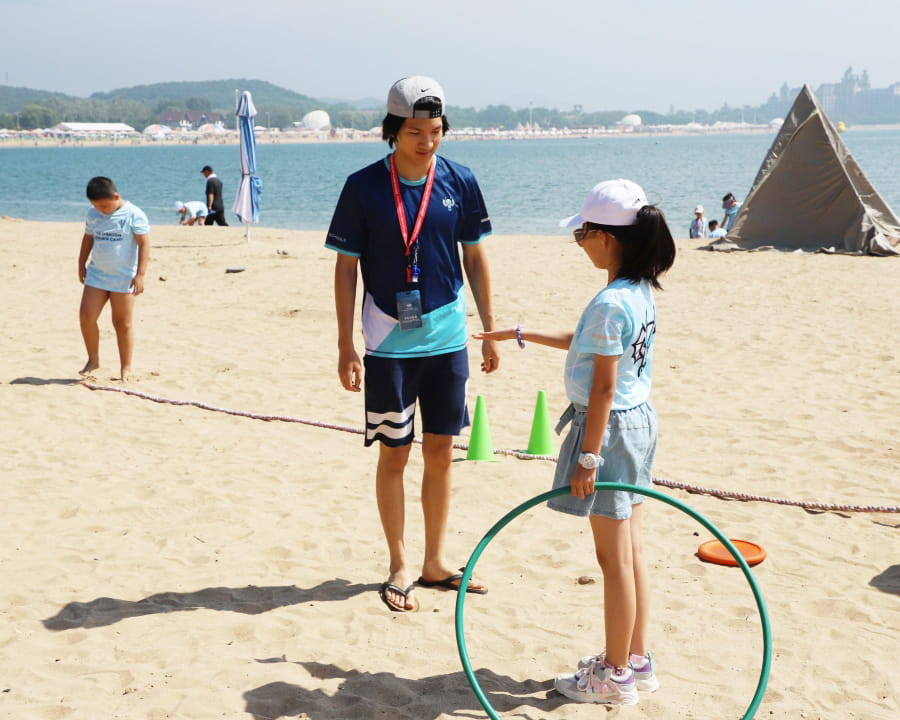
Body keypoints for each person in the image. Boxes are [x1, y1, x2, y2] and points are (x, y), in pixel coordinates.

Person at [474, 179, 675, 705]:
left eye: (582, 234)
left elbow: (603, 386)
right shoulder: (637, 291)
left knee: (613, 560)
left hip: (608, 429)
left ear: (606, 237)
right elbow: (589, 347)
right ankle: (635, 659)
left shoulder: (610, 301)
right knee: (631, 550)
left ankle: (615, 675)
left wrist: (588, 455)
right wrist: (521, 333)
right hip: (638, 423)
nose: (580, 243)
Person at [325, 75, 499, 613]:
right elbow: (345, 269)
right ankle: (399, 563)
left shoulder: (460, 180)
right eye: (416, 133)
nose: (427, 142)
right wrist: (345, 345)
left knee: (442, 453)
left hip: (448, 341)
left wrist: (489, 329)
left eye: (436, 131)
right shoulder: (363, 186)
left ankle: (436, 561)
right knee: (395, 453)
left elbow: (475, 258)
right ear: (393, 132)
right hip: (386, 344)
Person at [78, 176, 151, 382]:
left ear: (115, 196)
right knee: (86, 317)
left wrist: (140, 275)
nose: (100, 210)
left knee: (122, 323)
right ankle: (93, 360)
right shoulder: (93, 213)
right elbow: (88, 238)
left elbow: (144, 244)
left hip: (124, 277)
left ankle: (126, 368)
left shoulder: (134, 214)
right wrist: (81, 264)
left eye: (103, 206)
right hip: (97, 275)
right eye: (95, 206)